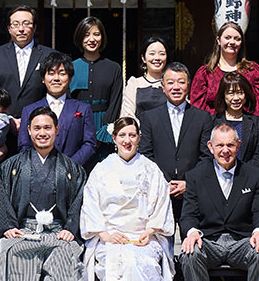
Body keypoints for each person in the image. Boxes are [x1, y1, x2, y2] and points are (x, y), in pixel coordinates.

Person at [0, 107, 87, 281]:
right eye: (37, 128)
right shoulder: (12, 166)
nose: (42, 133)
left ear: (57, 130)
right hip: (24, 230)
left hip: (57, 231)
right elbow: (1, 197)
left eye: (47, 128)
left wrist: (71, 229)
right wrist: (8, 227)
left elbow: (79, 202)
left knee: (64, 254)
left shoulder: (71, 168)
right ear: (29, 132)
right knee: (15, 253)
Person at [81, 116, 175, 281]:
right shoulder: (101, 169)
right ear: (114, 138)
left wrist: (150, 230)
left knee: (139, 260)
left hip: (143, 235)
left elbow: (161, 203)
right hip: (111, 235)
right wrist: (104, 233)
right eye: (122, 135)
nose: (127, 140)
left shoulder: (151, 169)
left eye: (132, 135)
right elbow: (91, 204)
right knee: (118, 260)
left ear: (139, 138)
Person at [179, 123, 259, 281]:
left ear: (238, 145)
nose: (225, 150)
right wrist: (192, 232)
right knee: (189, 254)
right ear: (210, 147)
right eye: (220, 145)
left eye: (230, 144)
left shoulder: (254, 175)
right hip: (209, 241)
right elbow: (188, 214)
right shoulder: (195, 176)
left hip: (241, 241)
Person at [137, 62, 213, 223]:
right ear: (163, 87)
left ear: (189, 85)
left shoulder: (203, 117)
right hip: (159, 191)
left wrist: (189, 183)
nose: (176, 87)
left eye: (181, 82)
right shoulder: (150, 117)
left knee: (191, 243)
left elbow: (206, 156)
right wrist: (164, 183)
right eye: (170, 83)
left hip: (192, 192)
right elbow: (145, 154)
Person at [18, 52, 96, 169]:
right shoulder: (29, 110)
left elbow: (89, 144)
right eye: (51, 73)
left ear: (69, 79)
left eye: (62, 73)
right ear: (43, 79)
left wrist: (69, 166)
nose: (56, 78)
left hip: (73, 173)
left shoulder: (83, 109)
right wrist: (40, 166)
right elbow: (24, 145)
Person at [0, 5, 55, 117]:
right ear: (9, 29)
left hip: (39, 122)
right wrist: (7, 118)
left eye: (26, 24)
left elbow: (54, 91)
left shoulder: (48, 55)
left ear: (34, 27)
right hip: (4, 122)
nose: (21, 29)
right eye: (15, 24)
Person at [190, 22, 259, 120]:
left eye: (237, 39)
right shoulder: (205, 73)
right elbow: (198, 107)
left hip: (247, 128)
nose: (232, 42)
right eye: (227, 38)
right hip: (214, 129)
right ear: (218, 40)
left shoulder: (253, 70)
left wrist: (249, 124)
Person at [70, 16, 123, 160]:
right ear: (80, 37)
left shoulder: (114, 68)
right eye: (86, 35)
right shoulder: (71, 67)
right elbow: (68, 101)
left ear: (102, 38)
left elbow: (116, 101)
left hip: (105, 123)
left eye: (96, 34)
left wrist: (104, 130)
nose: (91, 39)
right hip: (78, 123)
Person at [212, 71, 259, 168]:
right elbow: (208, 153)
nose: (236, 98)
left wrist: (243, 173)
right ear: (223, 95)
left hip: (247, 177)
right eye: (231, 93)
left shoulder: (256, 122)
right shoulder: (213, 121)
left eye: (240, 93)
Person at [120, 36, 168, 119]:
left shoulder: (172, 84)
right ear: (143, 58)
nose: (157, 58)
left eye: (162, 54)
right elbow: (128, 114)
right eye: (152, 54)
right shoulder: (134, 83)